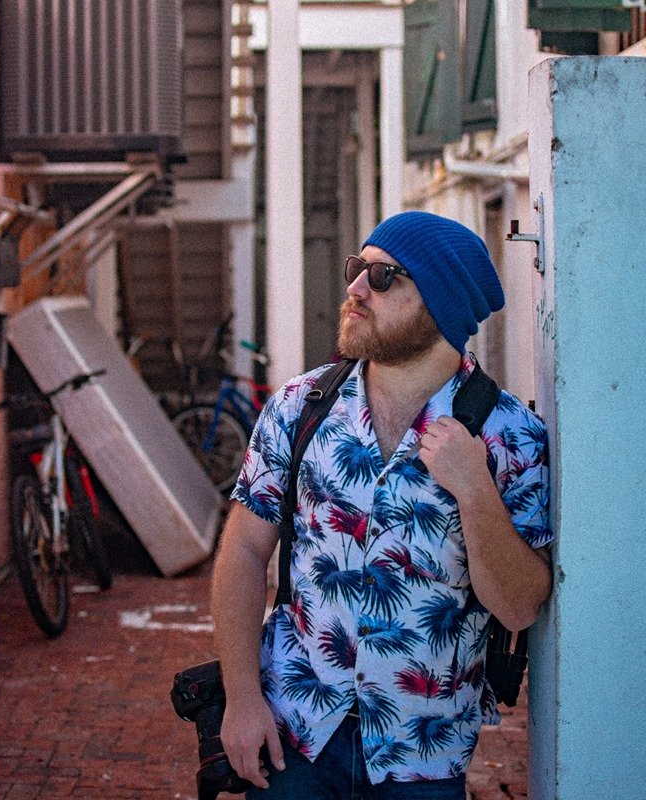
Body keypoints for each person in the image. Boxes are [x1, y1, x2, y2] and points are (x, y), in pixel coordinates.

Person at [211, 211, 552, 800]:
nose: (355, 287)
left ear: (442, 304)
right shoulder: (300, 407)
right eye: (357, 268)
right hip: (294, 733)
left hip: (422, 754)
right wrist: (241, 699)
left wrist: (474, 490)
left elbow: (520, 607)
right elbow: (243, 549)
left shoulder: (509, 435)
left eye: (383, 276)